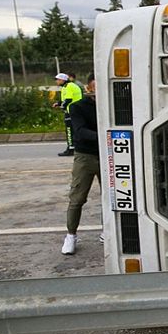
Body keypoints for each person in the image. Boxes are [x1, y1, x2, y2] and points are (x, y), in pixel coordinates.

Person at [61, 73, 100, 255]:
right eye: (95, 87)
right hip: (85, 156)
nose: (98, 91)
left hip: (110, 155)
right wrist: (106, 135)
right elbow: (80, 131)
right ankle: (71, 235)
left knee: (114, 197)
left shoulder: (115, 105)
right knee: (77, 198)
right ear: (88, 88)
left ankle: (108, 231)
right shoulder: (77, 107)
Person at [53, 72, 83, 156]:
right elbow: (65, 99)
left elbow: (68, 99)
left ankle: (71, 149)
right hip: (76, 110)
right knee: (75, 130)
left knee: (69, 131)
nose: (56, 82)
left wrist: (62, 106)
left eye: (58, 80)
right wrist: (59, 103)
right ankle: (75, 147)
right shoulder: (69, 86)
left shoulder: (68, 86)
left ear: (63, 80)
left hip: (71, 111)